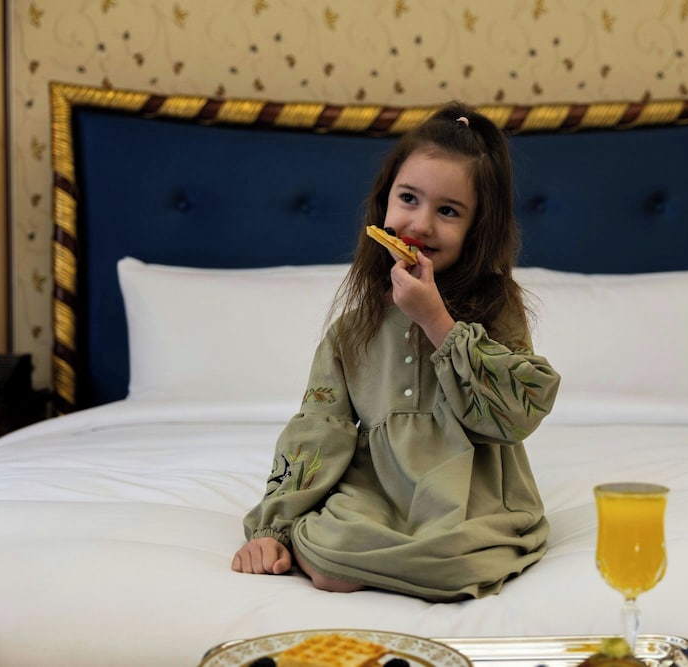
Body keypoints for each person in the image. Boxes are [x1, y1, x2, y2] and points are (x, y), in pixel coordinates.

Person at [232, 101, 561, 602]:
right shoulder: (351, 329)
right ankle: (351, 553)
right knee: (331, 557)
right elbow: (320, 427)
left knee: (456, 560)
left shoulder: (497, 308)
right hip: (375, 488)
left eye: (448, 211)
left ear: (477, 227)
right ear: (383, 202)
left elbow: (517, 414)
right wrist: (273, 527)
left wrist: (436, 320)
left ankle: (413, 559)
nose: (421, 224)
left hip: (468, 490)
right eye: (409, 198)